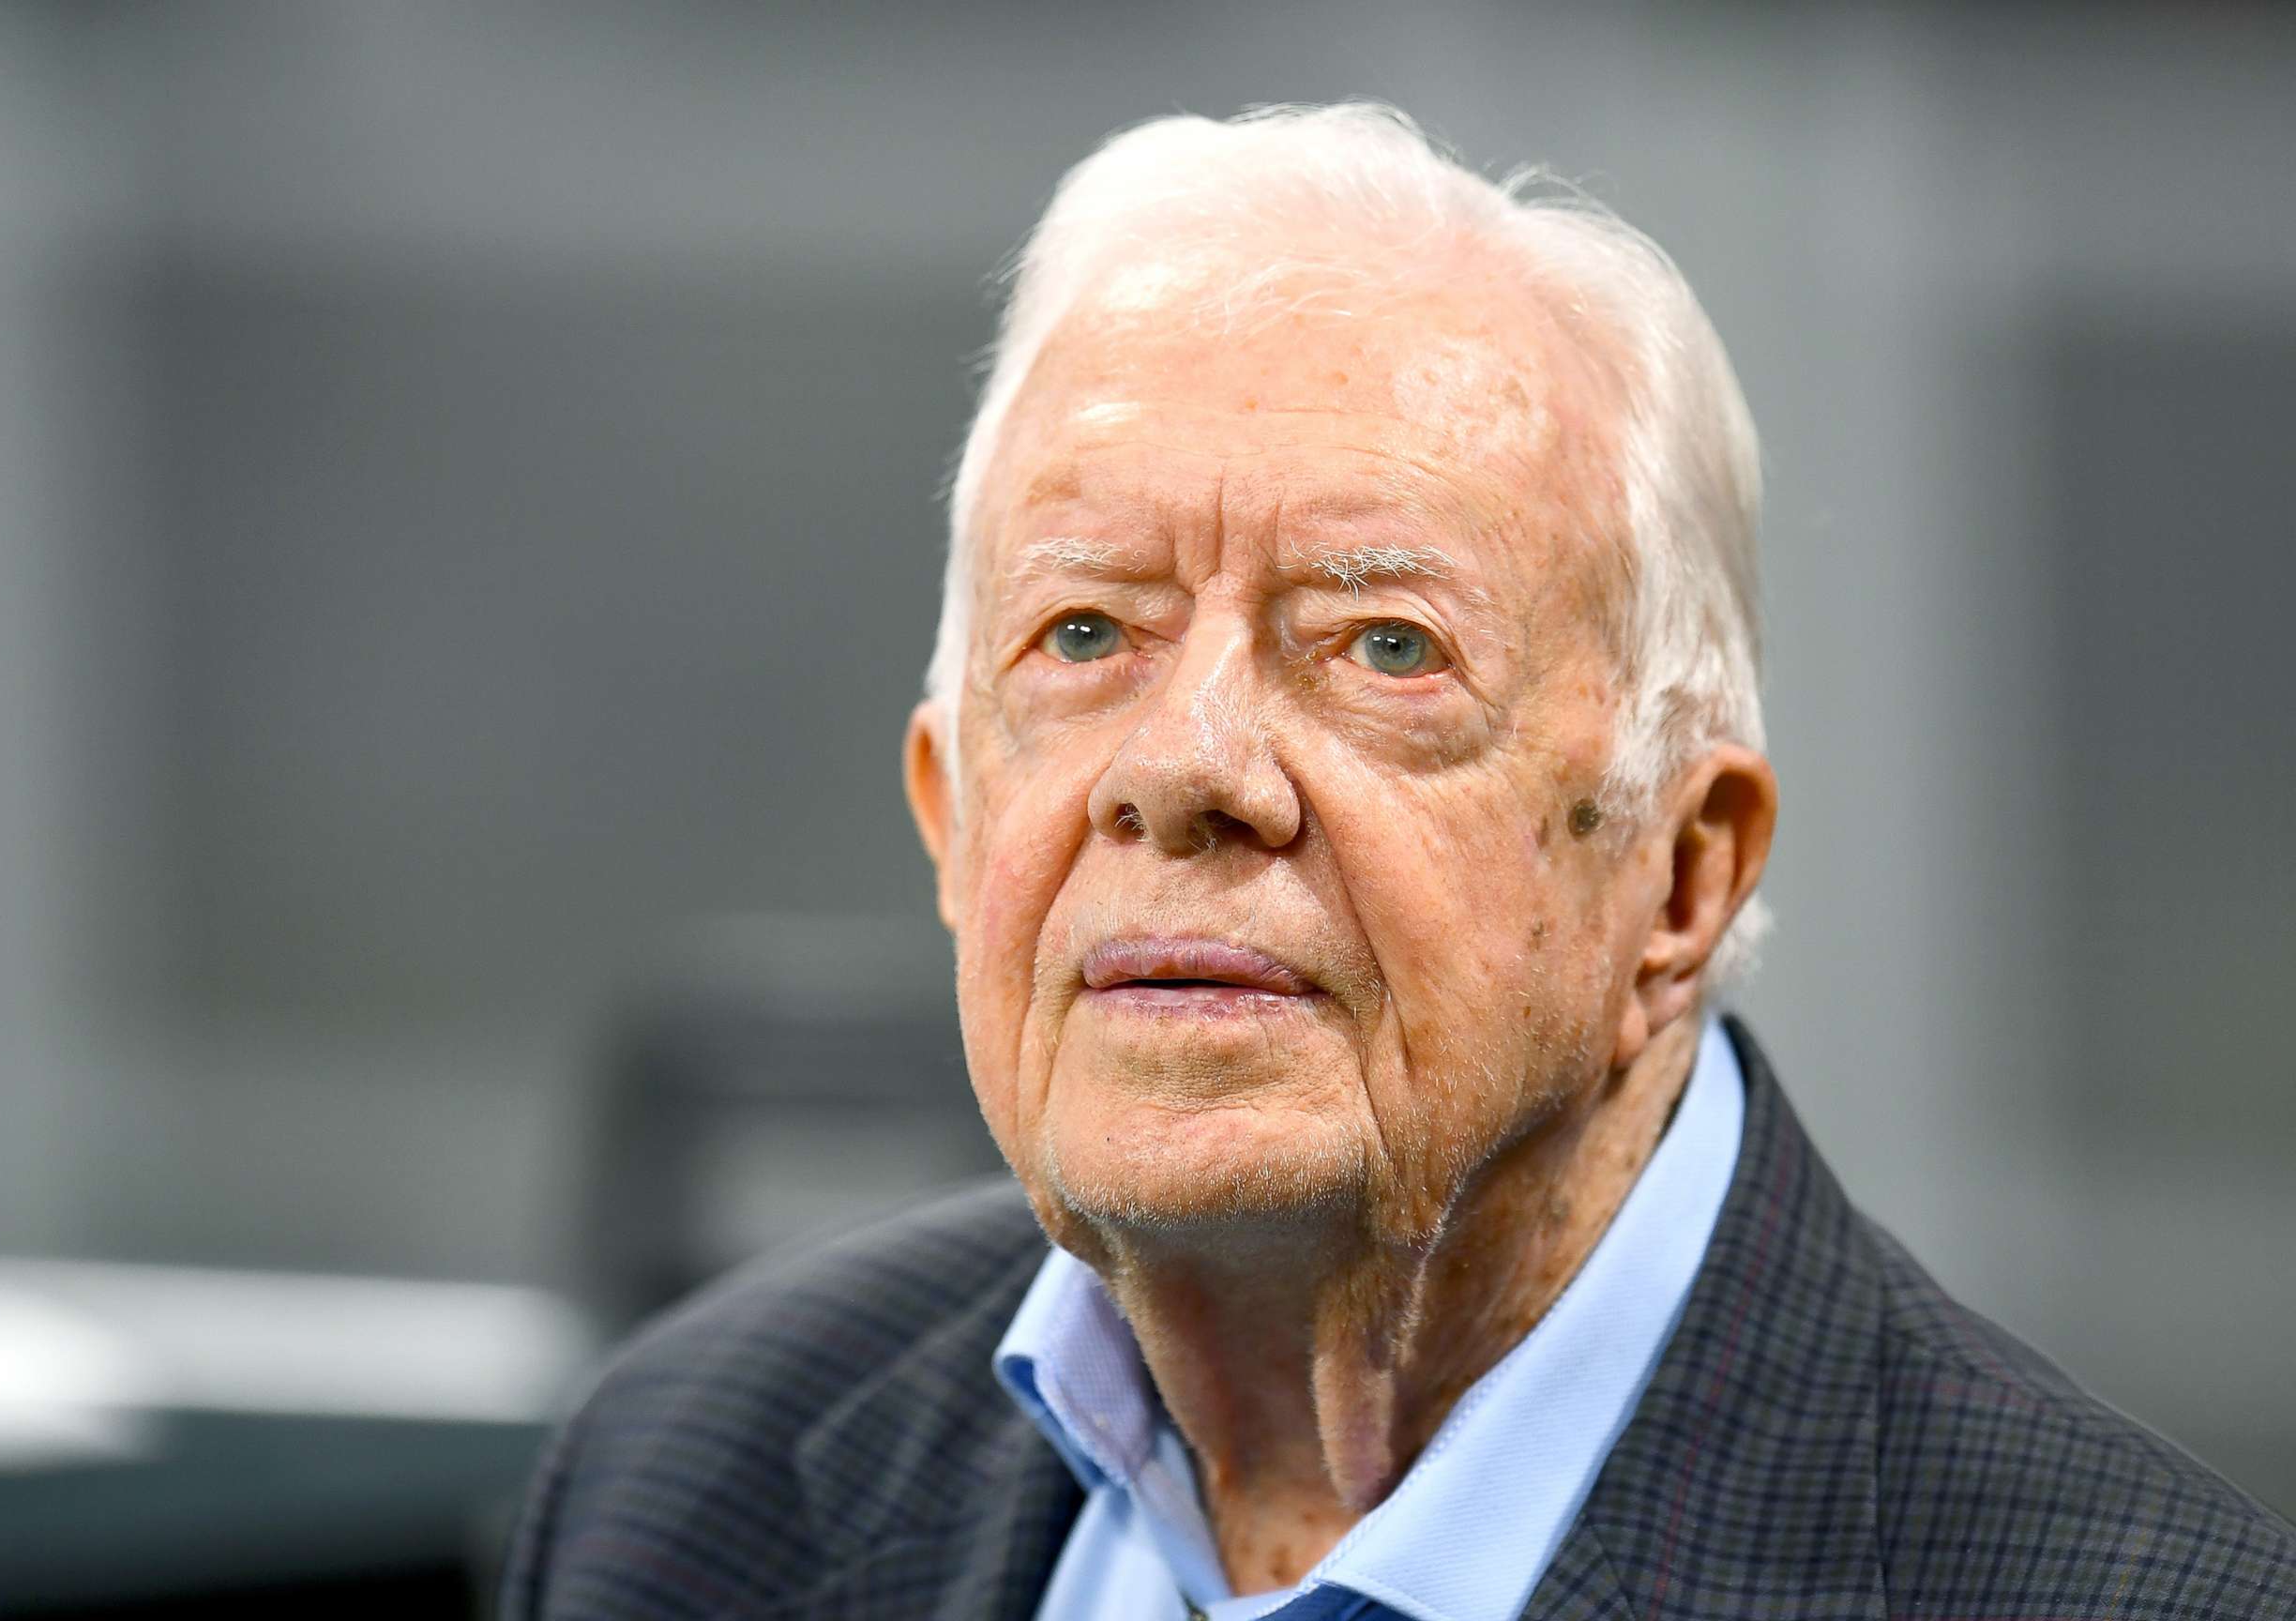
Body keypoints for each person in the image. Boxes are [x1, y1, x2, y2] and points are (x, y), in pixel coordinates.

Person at [501, 103, 2296, 1620]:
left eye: (1381, 645)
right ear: (956, 827)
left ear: (1682, 877)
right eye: (1082, 634)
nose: (1186, 773)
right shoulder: (681, 1486)